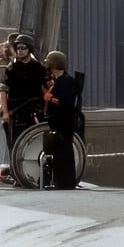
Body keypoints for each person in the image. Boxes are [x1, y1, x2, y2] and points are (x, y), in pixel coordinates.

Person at [0, 34, 47, 181]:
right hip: (16, 112)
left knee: (34, 143)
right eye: (17, 48)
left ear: (29, 49)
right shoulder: (11, 69)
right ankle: (16, 174)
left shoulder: (38, 68)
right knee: (14, 144)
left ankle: (34, 173)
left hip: (33, 111)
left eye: (23, 48)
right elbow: (3, 90)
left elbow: (46, 89)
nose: (20, 51)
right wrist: (5, 112)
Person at [41, 50, 82, 189]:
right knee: (59, 153)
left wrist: (50, 98)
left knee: (64, 153)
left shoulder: (66, 82)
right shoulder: (61, 81)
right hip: (60, 123)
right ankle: (61, 181)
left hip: (64, 123)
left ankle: (65, 182)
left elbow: (66, 103)